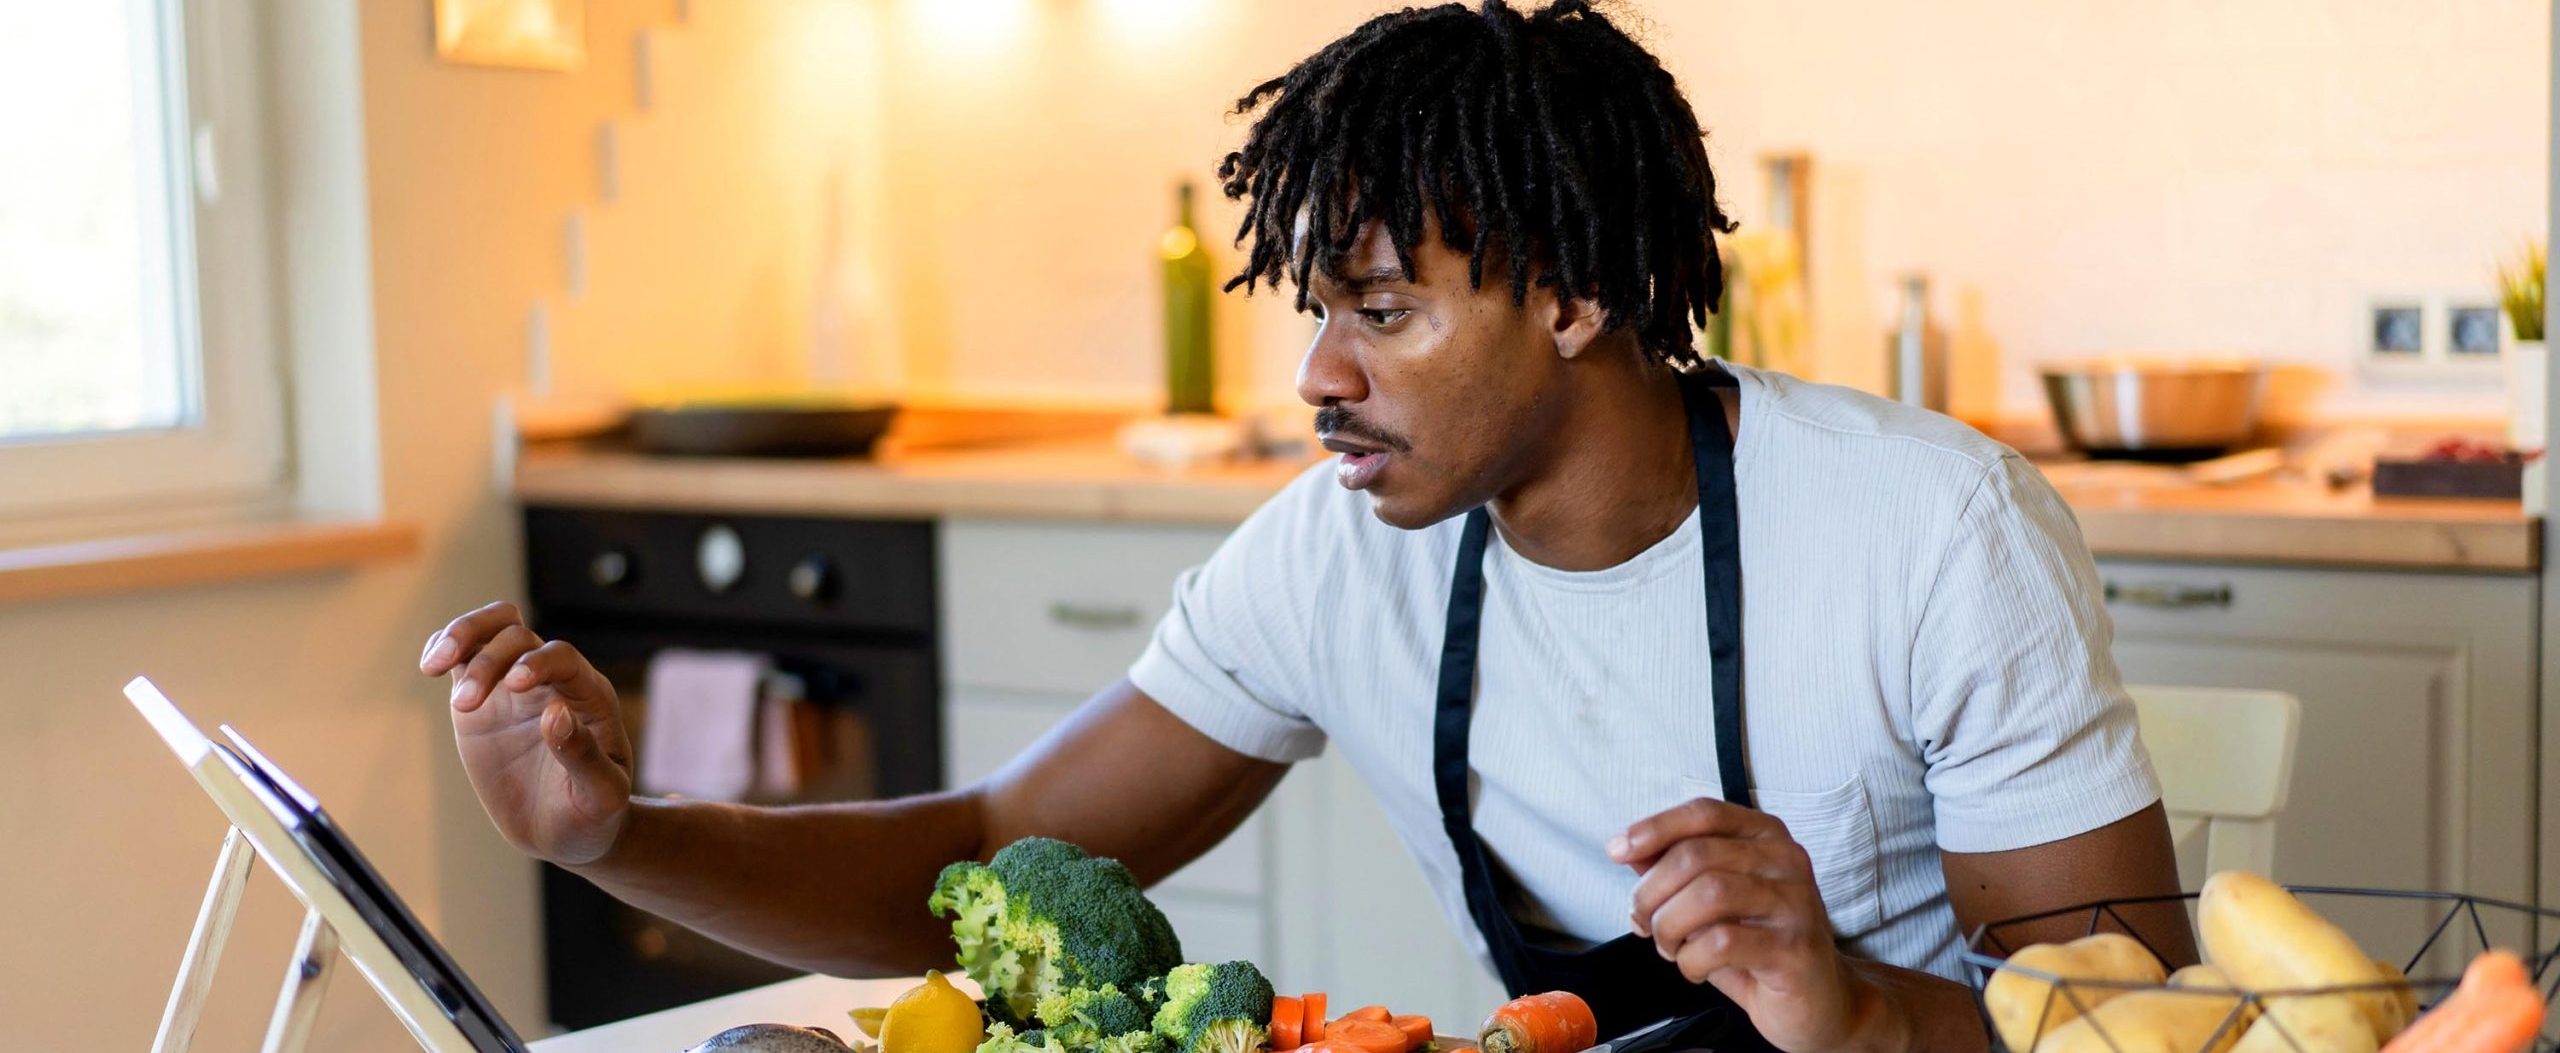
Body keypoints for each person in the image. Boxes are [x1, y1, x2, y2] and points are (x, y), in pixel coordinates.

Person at [419, 4, 2189, 1052]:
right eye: (1313, 310)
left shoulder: (1926, 524)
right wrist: (615, 833)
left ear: (1572, 296)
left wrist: (1861, 1007)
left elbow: (2141, 1018)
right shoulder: (1343, 545)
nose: (1322, 375)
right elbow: (987, 845)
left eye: (1386, 312)